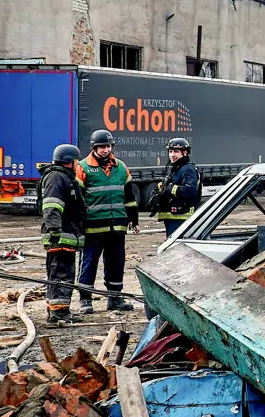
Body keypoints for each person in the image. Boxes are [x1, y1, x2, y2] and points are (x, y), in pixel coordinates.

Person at [76, 129, 140, 313]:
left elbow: (129, 196)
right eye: (101, 147)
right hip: (93, 228)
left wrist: (133, 219)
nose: (105, 150)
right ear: (94, 147)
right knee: (88, 264)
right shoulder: (83, 167)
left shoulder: (121, 167)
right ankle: (85, 301)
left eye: (108, 146)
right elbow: (78, 200)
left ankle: (115, 299)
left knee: (116, 263)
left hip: (117, 227)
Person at [40, 144, 86, 324]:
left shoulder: (63, 176)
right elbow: (51, 205)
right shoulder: (57, 177)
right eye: (76, 160)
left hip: (64, 234)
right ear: (69, 161)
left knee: (60, 273)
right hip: (60, 235)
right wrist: (55, 230)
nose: (78, 164)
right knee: (61, 274)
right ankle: (59, 314)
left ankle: (58, 311)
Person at [151, 137, 201, 238]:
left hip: (181, 218)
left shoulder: (188, 169)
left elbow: (191, 190)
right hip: (172, 218)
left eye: (176, 151)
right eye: (170, 151)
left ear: (185, 152)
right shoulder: (176, 169)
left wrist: (171, 189)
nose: (172, 155)